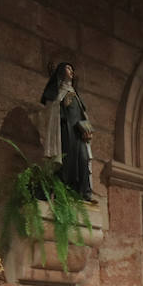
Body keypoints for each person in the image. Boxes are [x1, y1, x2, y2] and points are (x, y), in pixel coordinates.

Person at [40, 60, 94, 201]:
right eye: (68, 68)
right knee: (67, 160)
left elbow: (83, 115)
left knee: (83, 158)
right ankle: (64, 192)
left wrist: (87, 131)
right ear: (61, 72)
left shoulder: (75, 94)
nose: (71, 71)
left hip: (79, 134)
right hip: (65, 131)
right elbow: (52, 110)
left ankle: (84, 192)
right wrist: (62, 104)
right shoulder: (58, 93)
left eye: (72, 69)